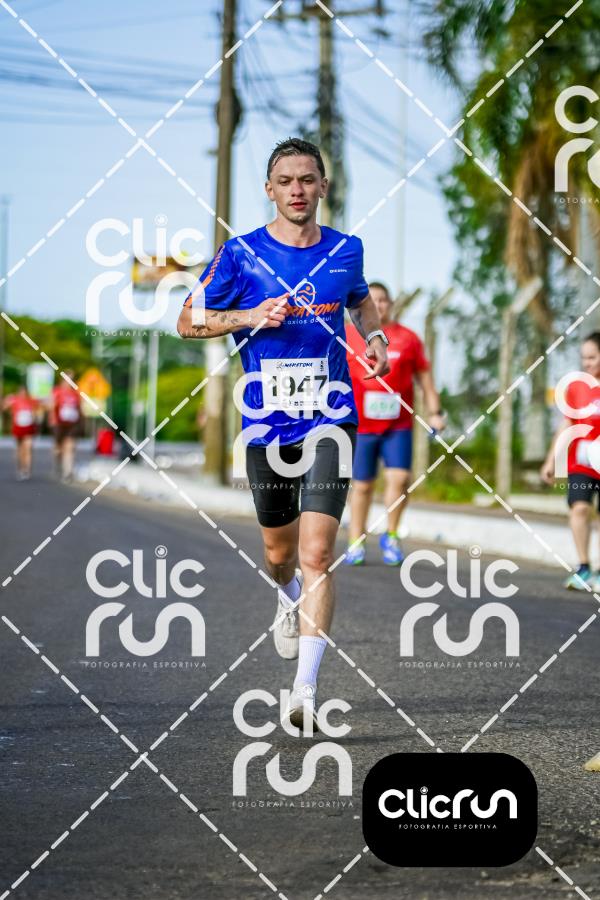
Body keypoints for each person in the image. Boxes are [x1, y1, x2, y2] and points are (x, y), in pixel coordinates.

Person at [177, 137, 389, 730]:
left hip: (331, 415)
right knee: (280, 555)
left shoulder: (347, 250)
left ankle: (304, 692)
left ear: (323, 186)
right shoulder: (240, 254)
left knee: (319, 552)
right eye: (286, 181)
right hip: (267, 423)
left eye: (307, 179)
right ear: (269, 189)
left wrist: (374, 337)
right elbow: (187, 320)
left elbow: (359, 301)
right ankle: (285, 592)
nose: (298, 190)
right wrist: (249, 315)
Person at [344, 282, 445, 565]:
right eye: (372, 300)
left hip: (397, 425)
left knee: (400, 480)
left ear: (391, 304)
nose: (378, 305)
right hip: (361, 426)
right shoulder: (348, 335)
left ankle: (391, 536)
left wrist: (435, 412)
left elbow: (425, 378)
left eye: (383, 300)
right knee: (363, 485)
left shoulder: (408, 338)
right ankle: (355, 540)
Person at [541, 332, 600, 590]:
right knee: (579, 508)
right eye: (584, 358)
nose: (587, 363)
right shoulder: (577, 388)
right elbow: (566, 425)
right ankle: (584, 568)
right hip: (581, 464)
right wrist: (551, 461)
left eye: (592, 357)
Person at [49, 371, 82, 481]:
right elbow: (50, 406)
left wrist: (80, 423)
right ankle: (58, 464)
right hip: (58, 424)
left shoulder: (76, 393)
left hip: (71, 424)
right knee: (59, 448)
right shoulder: (57, 391)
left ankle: (68, 472)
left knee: (70, 447)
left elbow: (79, 409)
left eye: (72, 379)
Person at [3, 383, 39, 480]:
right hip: (18, 428)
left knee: (28, 449)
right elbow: (4, 407)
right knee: (19, 450)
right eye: (21, 391)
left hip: (29, 428)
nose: (23, 393)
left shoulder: (31, 400)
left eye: (25, 392)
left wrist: (35, 418)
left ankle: (27, 470)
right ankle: (20, 468)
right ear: (18, 392)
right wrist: (6, 401)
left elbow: (39, 409)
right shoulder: (14, 399)